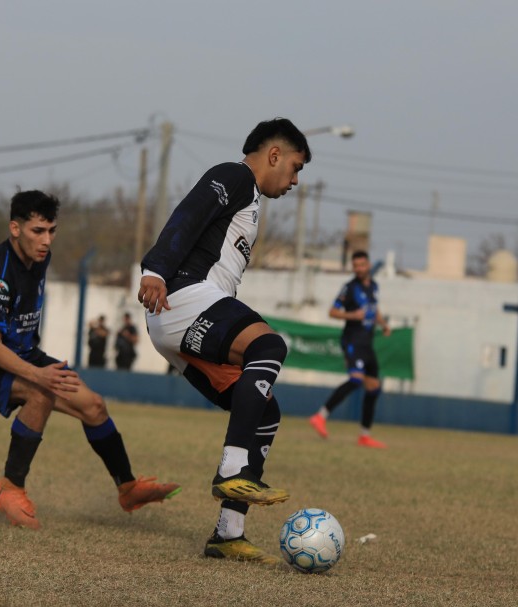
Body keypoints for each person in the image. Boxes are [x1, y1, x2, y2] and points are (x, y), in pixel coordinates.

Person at [0, 190, 180, 529]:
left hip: (23, 352)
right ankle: (9, 488)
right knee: (39, 393)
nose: (46, 241)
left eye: (51, 231)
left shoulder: (40, 257)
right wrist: (39, 376)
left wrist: (38, 368)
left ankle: (127, 488)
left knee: (94, 406)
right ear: (15, 228)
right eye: (37, 231)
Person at [138, 118, 311, 564]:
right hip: (180, 298)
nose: (294, 181)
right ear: (274, 154)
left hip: (180, 320)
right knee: (269, 346)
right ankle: (233, 469)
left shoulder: (249, 198)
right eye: (294, 168)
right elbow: (188, 213)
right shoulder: (234, 176)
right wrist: (155, 269)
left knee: (264, 411)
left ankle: (228, 533)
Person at [308, 250, 391, 448]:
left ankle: (364, 435)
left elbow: (374, 309)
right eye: (355, 266)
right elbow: (332, 311)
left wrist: (383, 324)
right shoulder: (349, 288)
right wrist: (352, 315)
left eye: (362, 265)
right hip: (353, 340)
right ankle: (321, 416)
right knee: (356, 379)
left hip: (367, 342)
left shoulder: (374, 287)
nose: (359, 269)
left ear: (368, 265)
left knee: (373, 388)